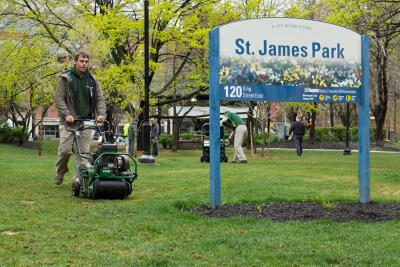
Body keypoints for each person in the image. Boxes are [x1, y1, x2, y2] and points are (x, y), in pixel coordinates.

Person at [54, 51, 106, 185]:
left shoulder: (93, 80)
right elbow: (59, 99)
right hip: (69, 121)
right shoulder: (65, 78)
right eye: (81, 61)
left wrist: (101, 114)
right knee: (65, 150)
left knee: (83, 153)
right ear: (75, 62)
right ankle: (60, 171)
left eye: (86, 62)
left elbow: (100, 99)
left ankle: (78, 180)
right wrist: (66, 114)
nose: (84, 64)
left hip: (87, 120)